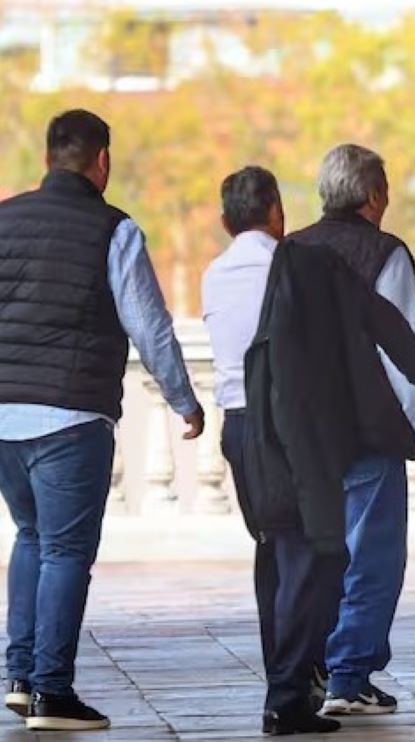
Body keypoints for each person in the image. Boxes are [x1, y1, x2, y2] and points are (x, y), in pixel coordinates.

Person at [0, 109, 203, 731]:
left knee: (33, 538)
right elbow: (148, 325)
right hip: (69, 416)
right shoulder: (112, 229)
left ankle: (19, 675)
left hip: (3, 417)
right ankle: (52, 693)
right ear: (102, 161)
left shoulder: (3, 219)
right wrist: (184, 400)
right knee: (64, 551)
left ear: (49, 155)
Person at [286, 144, 415, 716]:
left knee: (315, 554)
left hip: (305, 431)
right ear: (375, 196)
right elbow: (404, 349)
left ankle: (313, 670)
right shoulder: (386, 253)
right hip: (368, 428)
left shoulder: (290, 250)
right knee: (371, 557)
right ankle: (349, 677)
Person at [201, 166, 340, 736]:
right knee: (314, 557)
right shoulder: (291, 266)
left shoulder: (214, 273)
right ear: (277, 211)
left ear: (226, 219)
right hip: (287, 429)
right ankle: (289, 694)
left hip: (237, 428)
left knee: (275, 556)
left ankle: (285, 687)